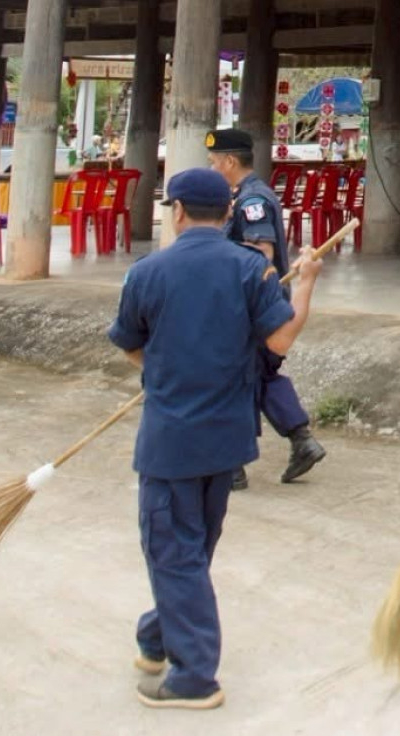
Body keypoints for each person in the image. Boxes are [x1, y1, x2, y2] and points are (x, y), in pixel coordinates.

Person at [109, 167, 322, 710]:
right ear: (227, 214)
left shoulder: (147, 273)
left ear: (177, 211)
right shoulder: (251, 270)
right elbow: (280, 338)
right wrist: (306, 284)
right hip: (227, 437)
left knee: (171, 549)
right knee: (192, 546)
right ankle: (158, 637)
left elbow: (131, 345)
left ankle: (195, 675)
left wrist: (164, 370)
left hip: (172, 437)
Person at [204, 127, 326, 487]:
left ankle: (233, 464)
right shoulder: (241, 196)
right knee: (261, 375)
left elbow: (260, 255)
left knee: (233, 379)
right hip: (255, 304)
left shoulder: (252, 201)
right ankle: (301, 441)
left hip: (254, 306)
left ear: (229, 161)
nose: (212, 169)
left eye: (213, 163)